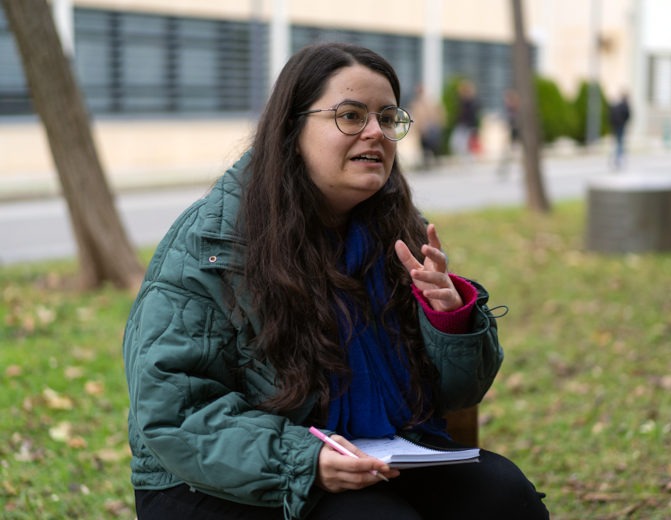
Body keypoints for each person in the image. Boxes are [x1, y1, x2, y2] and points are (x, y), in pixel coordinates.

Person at [123, 42, 549, 520]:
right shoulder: (216, 239)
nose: (375, 133)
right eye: (350, 115)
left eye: (388, 118)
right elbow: (172, 412)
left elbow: (457, 397)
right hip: (214, 481)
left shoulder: (398, 230)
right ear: (292, 129)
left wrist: (448, 322)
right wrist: (305, 461)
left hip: (373, 455)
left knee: (506, 497)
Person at [410, 84, 445, 169]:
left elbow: (437, 113)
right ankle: (426, 163)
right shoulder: (416, 103)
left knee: (432, 146)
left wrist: (438, 124)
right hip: (422, 130)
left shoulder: (428, 102)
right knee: (424, 147)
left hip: (429, 129)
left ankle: (434, 162)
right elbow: (416, 117)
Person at [449, 79, 481, 159]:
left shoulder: (471, 103)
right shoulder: (463, 102)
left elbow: (473, 117)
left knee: (465, 147)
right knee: (457, 145)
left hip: (467, 128)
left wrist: (474, 130)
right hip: (463, 127)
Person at [496, 88, 521, 177]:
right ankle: (504, 168)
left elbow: (515, 121)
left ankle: (506, 168)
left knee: (512, 150)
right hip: (512, 132)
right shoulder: (509, 109)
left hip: (516, 131)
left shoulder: (515, 109)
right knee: (508, 151)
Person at [609, 92, 632, 169]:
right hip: (621, 126)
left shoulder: (617, 105)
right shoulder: (624, 106)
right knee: (620, 142)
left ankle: (615, 156)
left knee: (616, 142)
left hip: (614, 126)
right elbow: (628, 115)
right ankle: (618, 157)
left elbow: (610, 115)